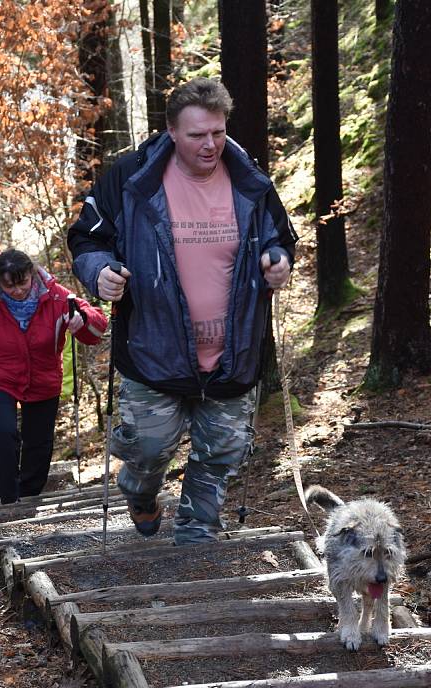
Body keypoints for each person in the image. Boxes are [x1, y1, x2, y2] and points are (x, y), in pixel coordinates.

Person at [68, 77, 297, 546]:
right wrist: (100, 272)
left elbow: (279, 237)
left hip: (233, 354)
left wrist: (278, 262)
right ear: (171, 131)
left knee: (221, 454)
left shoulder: (249, 179)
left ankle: (196, 543)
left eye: (217, 132)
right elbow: (86, 238)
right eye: (197, 135)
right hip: (154, 352)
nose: (210, 144)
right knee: (147, 450)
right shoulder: (131, 177)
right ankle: (139, 490)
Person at [0, 248, 107, 504]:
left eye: (23, 283)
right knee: (4, 430)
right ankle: (8, 497)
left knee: (39, 442)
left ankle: (29, 496)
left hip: (43, 377)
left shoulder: (55, 296)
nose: (18, 290)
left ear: (32, 275)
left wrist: (82, 320)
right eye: (10, 286)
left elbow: (97, 327)